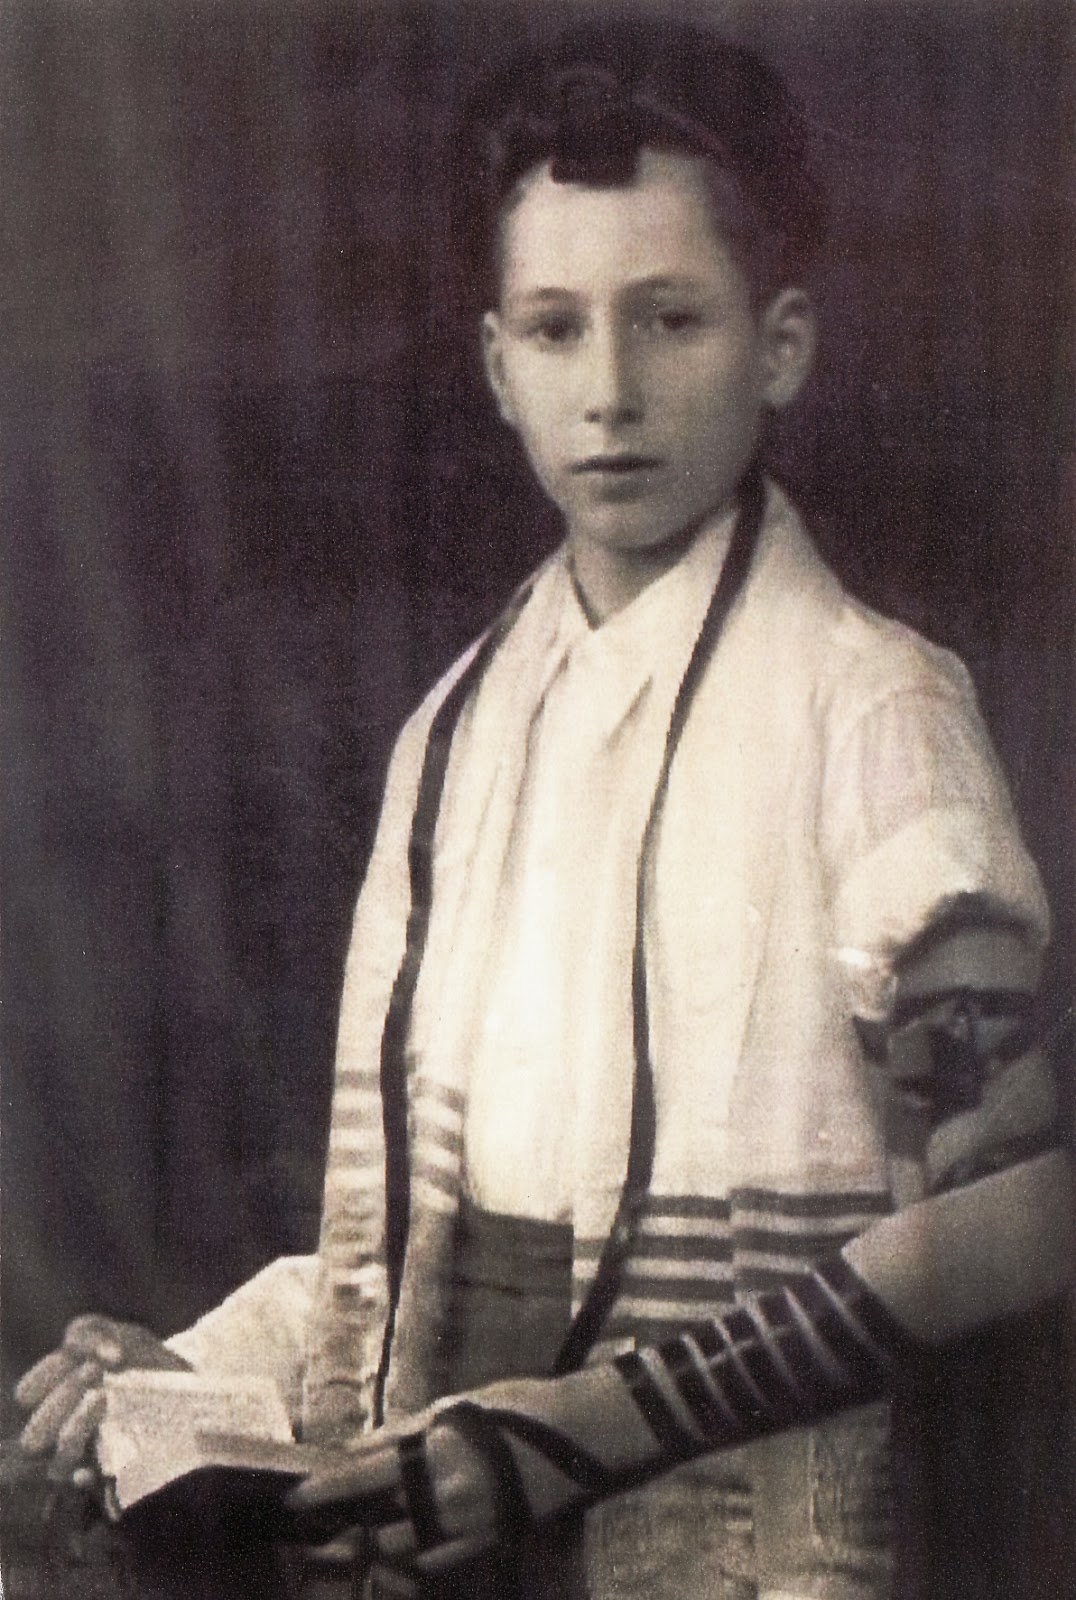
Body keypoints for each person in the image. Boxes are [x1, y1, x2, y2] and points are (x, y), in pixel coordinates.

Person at [15, 16, 1067, 1600]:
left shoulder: (873, 708)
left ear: (779, 345)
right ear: (498, 371)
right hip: (442, 1545)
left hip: (727, 1546)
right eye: (558, 330)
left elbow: (1028, 1215)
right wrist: (195, 1380)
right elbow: (439, 1268)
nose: (614, 394)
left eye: (673, 320)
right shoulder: (458, 734)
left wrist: (583, 1431)